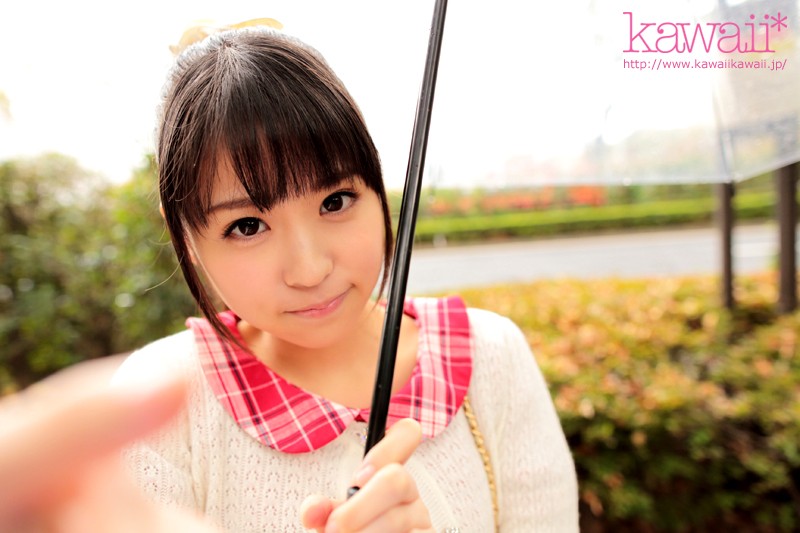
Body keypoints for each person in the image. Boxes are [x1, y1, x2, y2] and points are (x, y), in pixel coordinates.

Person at [111, 24, 579, 532]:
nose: (310, 270)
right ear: (183, 234)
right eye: (247, 226)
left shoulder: (491, 357)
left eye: (335, 201)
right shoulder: (159, 404)